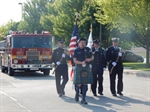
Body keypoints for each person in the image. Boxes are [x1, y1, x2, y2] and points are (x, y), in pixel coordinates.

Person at [73, 38, 94, 104]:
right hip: (79, 67)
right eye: (81, 42)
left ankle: (83, 99)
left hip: (86, 68)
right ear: (78, 43)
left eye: (84, 42)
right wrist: (81, 62)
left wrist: (89, 59)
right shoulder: (76, 50)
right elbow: (75, 60)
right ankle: (77, 92)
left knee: (85, 83)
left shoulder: (87, 49)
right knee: (79, 84)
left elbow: (93, 57)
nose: (83, 43)